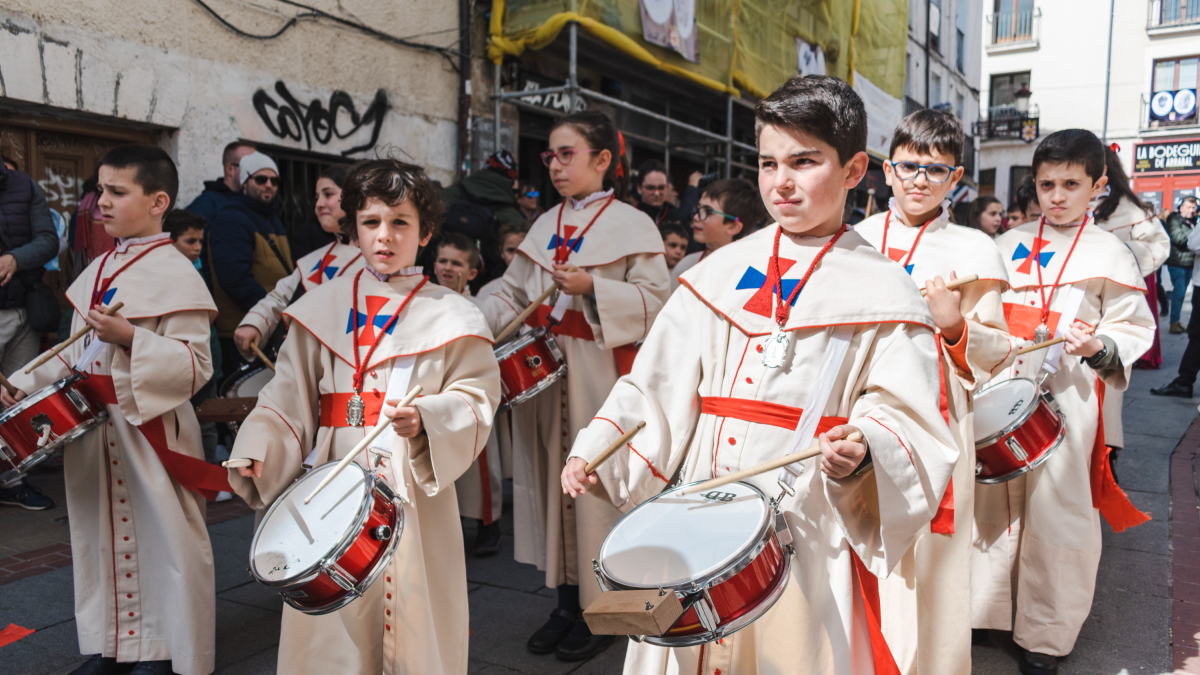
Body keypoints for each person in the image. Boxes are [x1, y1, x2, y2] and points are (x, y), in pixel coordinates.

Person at [561, 74, 957, 675]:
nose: (781, 182)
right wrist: (596, 446)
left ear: (854, 170)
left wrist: (867, 445)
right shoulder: (720, 272)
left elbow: (904, 414)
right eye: (768, 163)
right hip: (698, 504)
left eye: (804, 161)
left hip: (804, 511)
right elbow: (655, 384)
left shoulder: (885, 291)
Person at [225, 158, 500, 675]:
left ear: (426, 232)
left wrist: (429, 419)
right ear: (353, 226)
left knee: (412, 616)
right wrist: (257, 447)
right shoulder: (321, 305)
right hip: (332, 480)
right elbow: (288, 395)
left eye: (401, 222)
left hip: (411, 486)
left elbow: (478, 396)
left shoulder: (453, 313)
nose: (385, 236)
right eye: (371, 222)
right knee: (335, 632)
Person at [2, 144, 221, 675]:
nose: (101, 201)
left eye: (116, 191)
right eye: (100, 189)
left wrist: (130, 340)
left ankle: (171, 652)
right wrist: (19, 384)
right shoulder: (101, 266)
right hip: (95, 430)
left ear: (157, 201)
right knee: (101, 542)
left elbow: (195, 366)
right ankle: (115, 648)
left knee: (166, 543)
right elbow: (74, 354)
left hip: (149, 431)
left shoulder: (176, 271)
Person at [479, 110, 670, 661]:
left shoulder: (634, 224)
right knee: (551, 493)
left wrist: (593, 288)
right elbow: (511, 293)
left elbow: (659, 305)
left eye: (567, 154)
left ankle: (604, 607)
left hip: (601, 376)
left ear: (603, 159)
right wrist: (475, 314)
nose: (556, 166)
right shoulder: (544, 225)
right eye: (550, 156)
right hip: (545, 377)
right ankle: (566, 602)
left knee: (598, 490)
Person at [973, 129, 1155, 675]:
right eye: (1046, 183)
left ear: (1097, 186)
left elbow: (1131, 326)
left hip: (1069, 399)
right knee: (992, 504)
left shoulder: (1110, 253)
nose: (1056, 196)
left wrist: (1101, 347)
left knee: (1059, 511)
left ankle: (1046, 632)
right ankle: (987, 609)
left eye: (1071, 184)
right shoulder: (1004, 247)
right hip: (1001, 392)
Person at [854, 108, 1015, 675]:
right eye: (908, 166)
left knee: (931, 561)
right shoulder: (855, 239)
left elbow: (999, 350)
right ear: (886, 171)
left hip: (938, 417)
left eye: (935, 170)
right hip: (856, 414)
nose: (919, 179)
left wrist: (955, 326)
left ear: (957, 177)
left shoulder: (973, 249)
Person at [1092, 147, 1170, 474]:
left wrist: (1116, 255)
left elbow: (1157, 247)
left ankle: (1105, 460)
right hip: (1065, 311)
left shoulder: (1130, 209)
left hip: (1107, 311)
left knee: (1106, 390)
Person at [232, 165, 361, 362]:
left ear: (354, 198)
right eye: (317, 197)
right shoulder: (318, 257)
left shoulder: (378, 260)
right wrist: (254, 322)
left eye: (328, 194)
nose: (318, 204)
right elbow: (280, 296)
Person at [0, 156, 62, 511]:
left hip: (22, 308)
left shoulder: (23, 184)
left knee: (14, 399)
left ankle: (12, 482)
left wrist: (14, 258)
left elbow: (47, 242)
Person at [207, 151, 292, 376]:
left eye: (274, 181)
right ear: (244, 182)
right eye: (260, 179)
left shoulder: (272, 219)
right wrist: (267, 317)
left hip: (267, 327)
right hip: (243, 333)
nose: (269, 185)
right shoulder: (231, 218)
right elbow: (235, 277)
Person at [164, 210, 225, 474]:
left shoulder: (196, 272)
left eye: (200, 241)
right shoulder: (167, 274)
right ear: (170, 240)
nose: (198, 247)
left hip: (204, 359)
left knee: (205, 422)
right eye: (190, 241)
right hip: (177, 361)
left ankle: (207, 475)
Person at [429, 150, 526, 292]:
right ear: (510, 180)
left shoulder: (453, 193)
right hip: (485, 288)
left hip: (435, 281)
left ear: (485, 169)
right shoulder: (511, 215)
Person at [670, 178, 768, 287]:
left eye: (708, 211)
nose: (696, 217)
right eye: (698, 208)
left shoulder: (752, 276)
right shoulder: (686, 266)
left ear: (733, 227)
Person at [1152, 196, 1200, 399]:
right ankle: (1184, 381)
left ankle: (1184, 382)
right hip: (1180, 264)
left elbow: (1193, 242)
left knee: (1197, 334)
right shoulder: (1176, 220)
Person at [183, 141, 257, 225]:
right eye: (250, 166)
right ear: (230, 169)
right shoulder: (207, 203)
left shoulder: (257, 201)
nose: (257, 171)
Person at [1162, 196, 1197, 334]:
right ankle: (1173, 323)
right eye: (1188, 207)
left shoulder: (1194, 221)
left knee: (1182, 293)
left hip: (1189, 263)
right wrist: (1195, 234)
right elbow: (1179, 238)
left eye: (1193, 207)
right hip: (1178, 262)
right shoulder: (1174, 220)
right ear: (1181, 208)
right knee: (1180, 293)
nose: (1191, 210)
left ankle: (1176, 321)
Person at [633, 160, 701, 233]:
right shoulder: (631, 215)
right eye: (650, 188)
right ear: (639, 188)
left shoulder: (675, 217)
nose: (656, 193)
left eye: (661, 187)